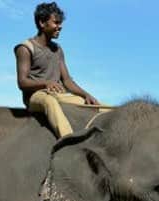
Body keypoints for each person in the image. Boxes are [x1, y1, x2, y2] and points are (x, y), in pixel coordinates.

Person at [14, 2, 101, 138]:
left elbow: (67, 81)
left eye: (60, 23)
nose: (60, 27)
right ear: (42, 23)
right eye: (56, 22)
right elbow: (22, 82)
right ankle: (68, 141)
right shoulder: (25, 48)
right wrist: (46, 83)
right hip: (36, 96)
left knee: (96, 107)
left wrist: (86, 95)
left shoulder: (58, 49)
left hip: (59, 94)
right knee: (50, 102)